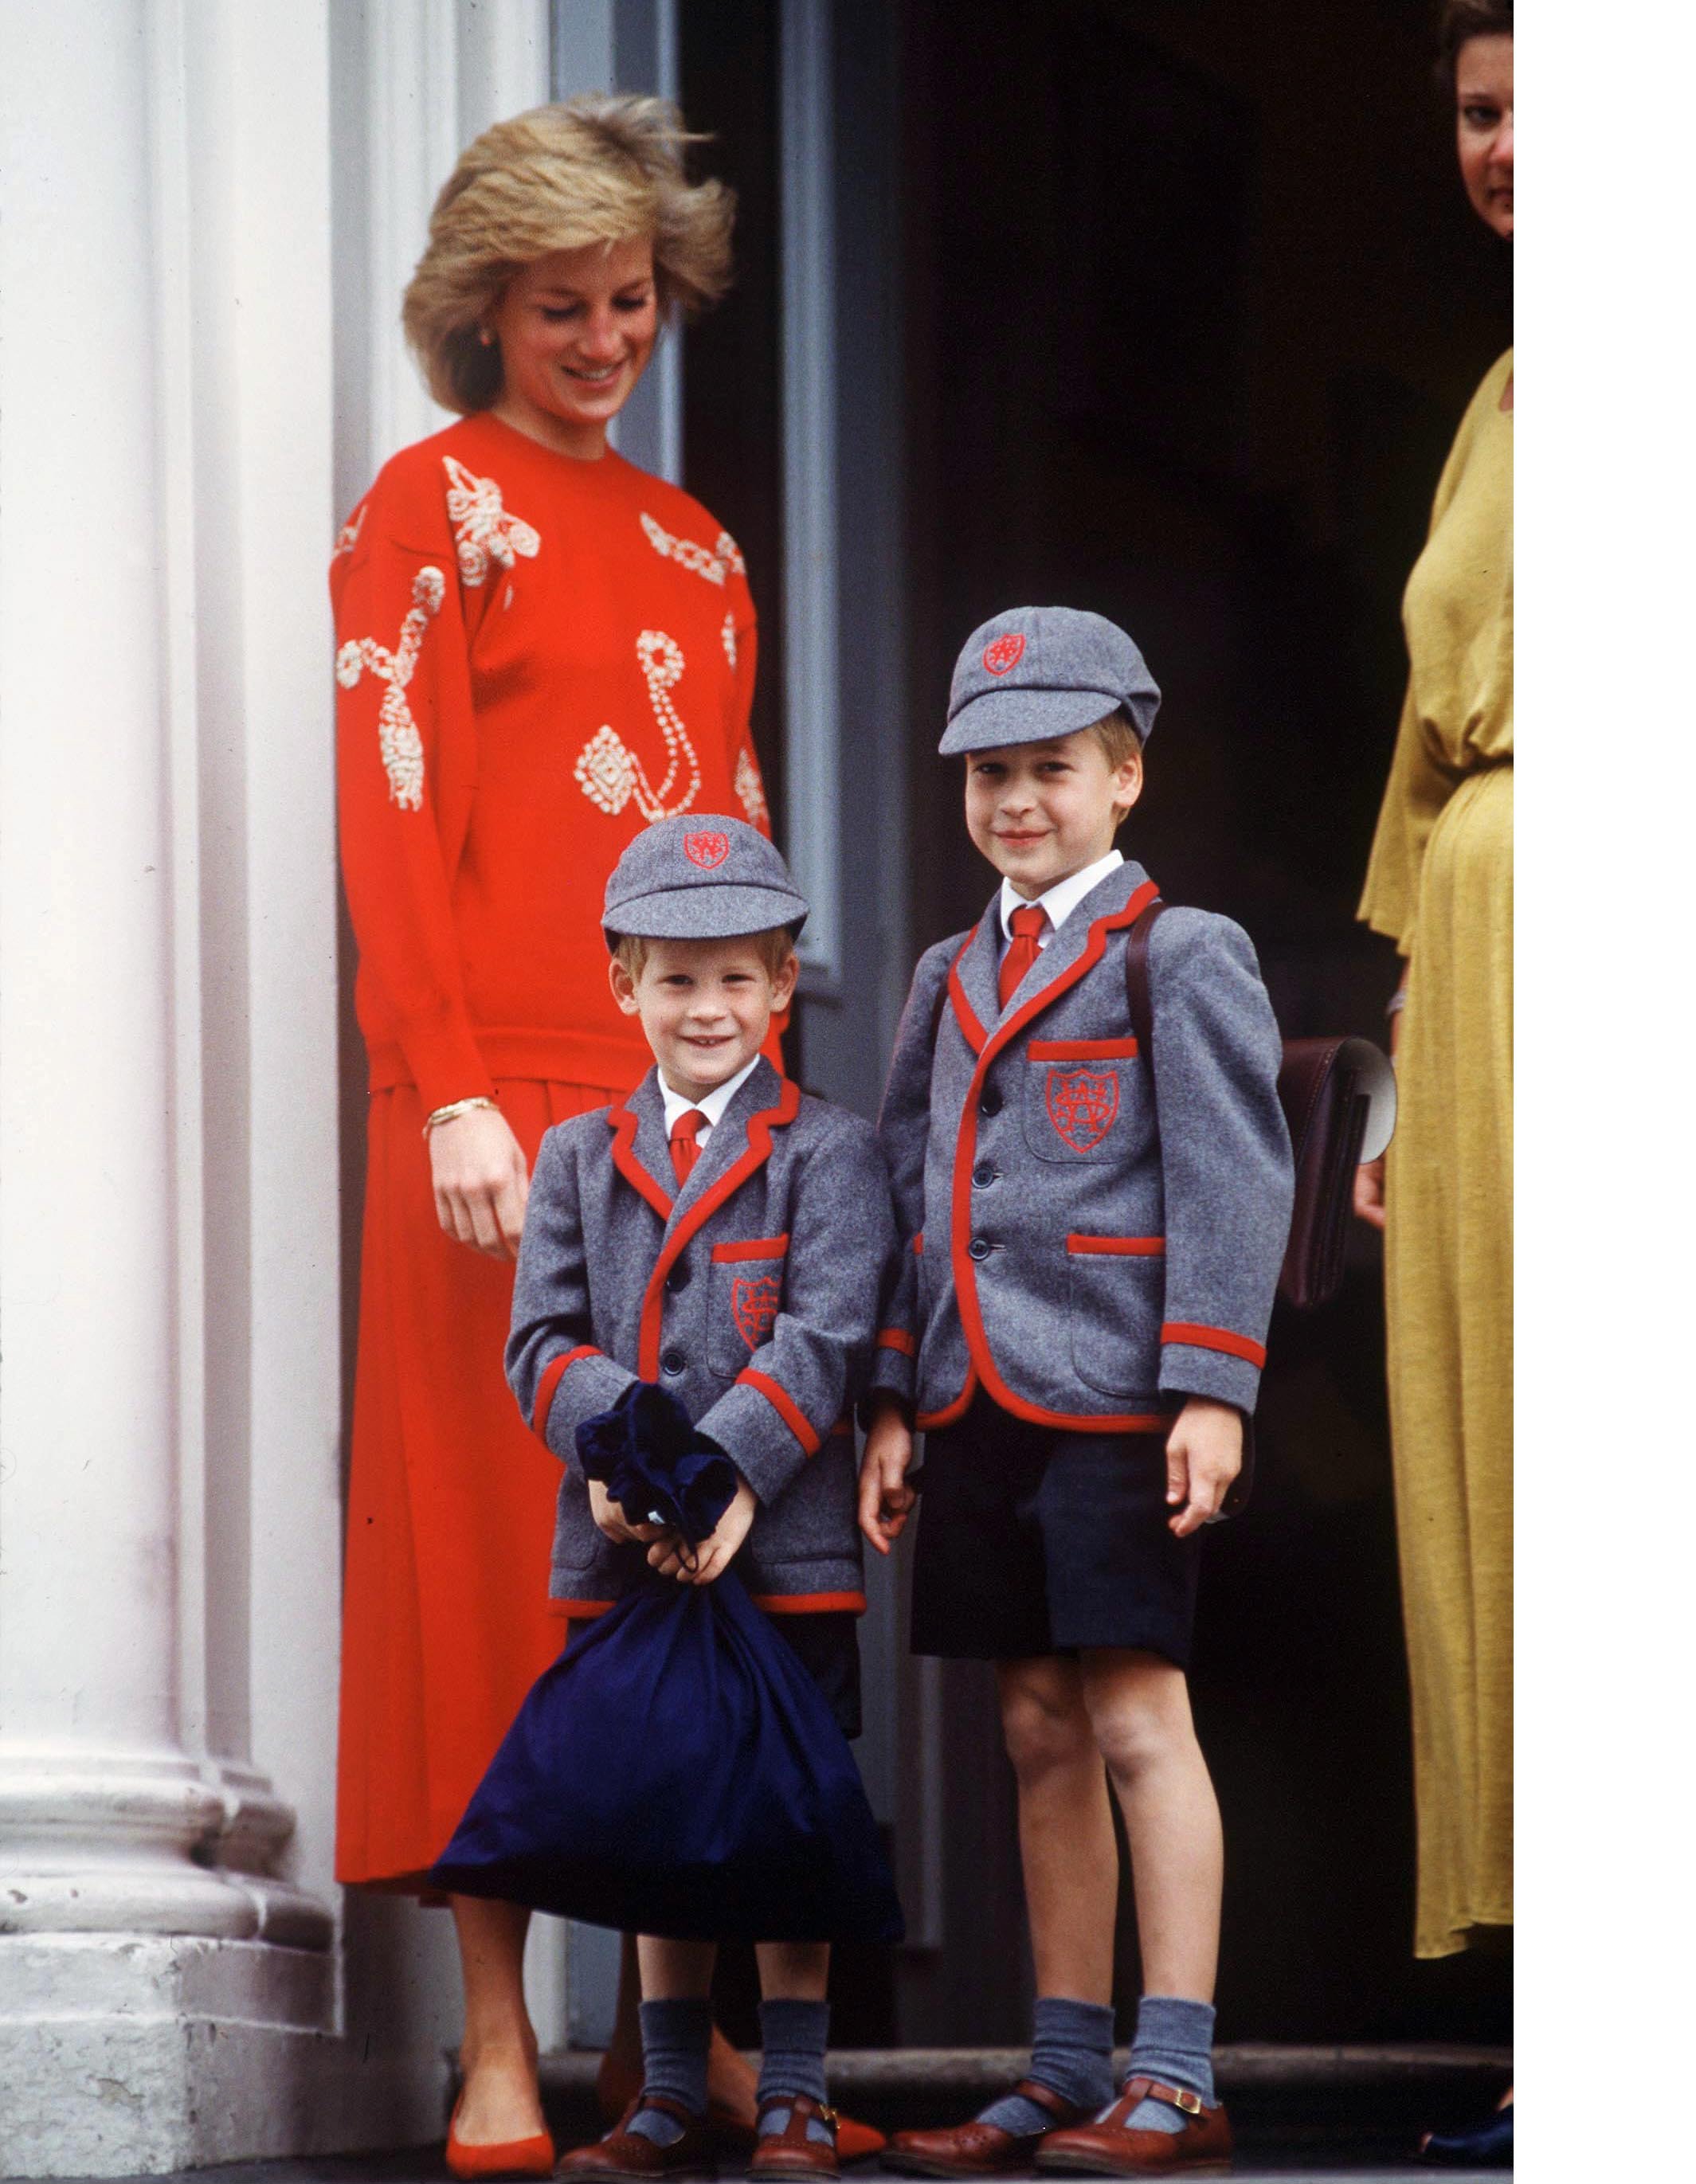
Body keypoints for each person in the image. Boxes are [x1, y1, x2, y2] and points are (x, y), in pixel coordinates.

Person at [331, 96, 777, 2173]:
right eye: (557, 305)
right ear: (481, 306)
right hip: (495, 1111)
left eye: (627, 301)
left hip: (682, 1118)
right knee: (490, 1573)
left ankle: (667, 2044)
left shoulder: (701, 546)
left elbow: (737, 847)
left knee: (685, 1564)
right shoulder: (425, 505)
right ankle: (497, 2034)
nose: (601, 339)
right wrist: (441, 1084)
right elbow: (389, 807)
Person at [860, 609, 1293, 2178]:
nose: (1016, 802)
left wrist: (1214, 1389)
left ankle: (1174, 2068)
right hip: (978, 1398)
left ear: (1125, 778)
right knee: (1034, 1723)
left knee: (1130, 1713)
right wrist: (896, 1400)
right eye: (989, 774)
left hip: (1120, 1394)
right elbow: (916, 1190)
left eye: (1050, 768)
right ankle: (1060, 2063)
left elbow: (1235, 1178)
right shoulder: (944, 970)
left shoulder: (1182, 950)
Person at [500, 816, 899, 2184]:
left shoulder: (827, 1152)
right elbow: (540, 1341)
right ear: (624, 985)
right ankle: (668, 2089)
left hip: (777, 1534)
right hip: (624, 1545)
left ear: (783, 984)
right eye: (674, 977)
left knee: (791, 1810)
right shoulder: (572, 1154)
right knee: (655, 1815)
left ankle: (790, 2087)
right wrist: (623, 1468)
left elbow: (830, 1333)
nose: (707, 1006)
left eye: (736, 977)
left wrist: (723, 1472)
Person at [1353, 4, 1513, 2165]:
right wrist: (1392, 1088)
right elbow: (1417, 765)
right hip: (1476, 964)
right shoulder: (1495, 398)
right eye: (1483, 114)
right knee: (1482, 1460)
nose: (1508, 153)